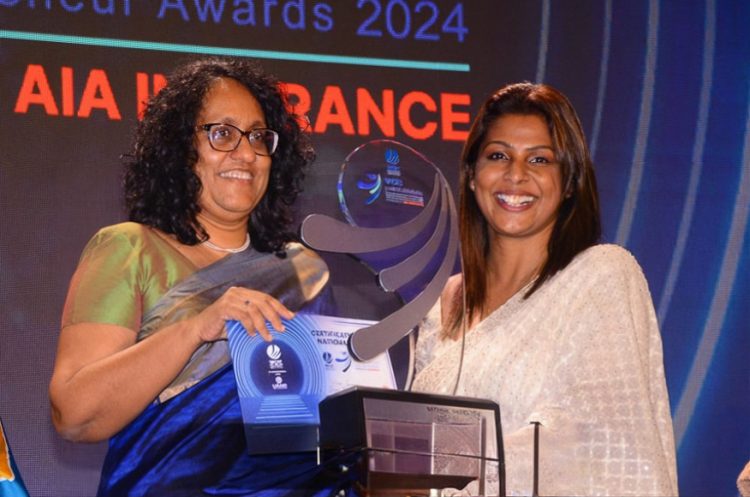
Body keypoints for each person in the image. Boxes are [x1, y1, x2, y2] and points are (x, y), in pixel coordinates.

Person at [48, 56, 340, 496]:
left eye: (258, 137)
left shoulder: (302, 272)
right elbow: (74, 414)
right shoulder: (130, 250)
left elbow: (320, 426)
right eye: (223, 134)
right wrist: (196, 328)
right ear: (180, 150)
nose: (246, 154)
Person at [411, 82, 678, 496]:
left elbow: (591, 444)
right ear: (471, 176)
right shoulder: (445, 303)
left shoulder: (601, 276)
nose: (516, 174)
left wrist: (434, 483)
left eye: (540, 159)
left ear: (569, 182)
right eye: (498, 155)